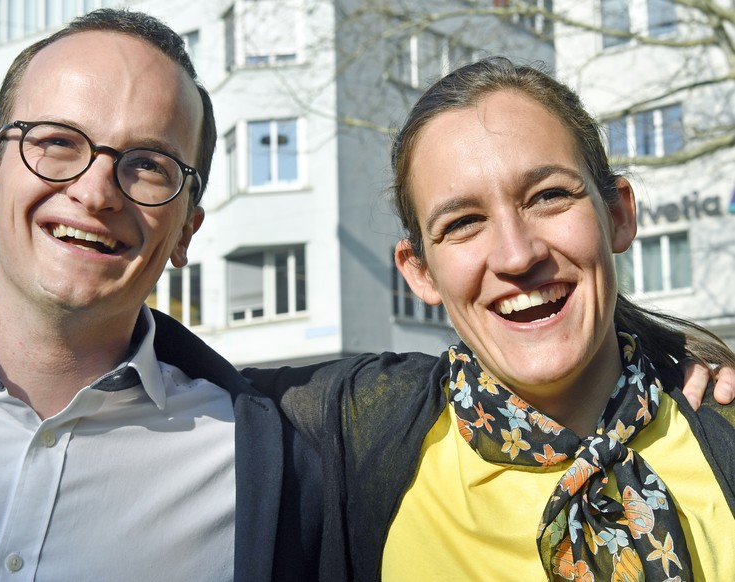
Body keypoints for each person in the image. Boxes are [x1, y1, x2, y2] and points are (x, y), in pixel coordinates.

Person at [0, 9, 322, 580]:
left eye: (149, 165)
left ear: (185, 231)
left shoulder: (272, 467)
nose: (96, 191)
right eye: (57, 141)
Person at [245, 57, 735, 581]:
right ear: (421, 273)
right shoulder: (355, 433)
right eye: (463, 222)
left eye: (548, 196)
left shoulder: (721, 424)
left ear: (617, 215)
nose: (516, 256)